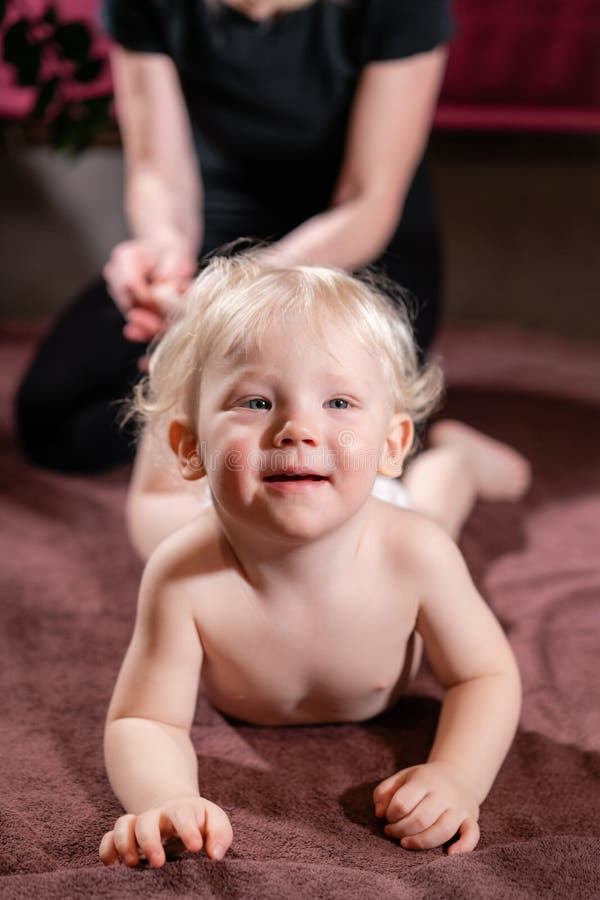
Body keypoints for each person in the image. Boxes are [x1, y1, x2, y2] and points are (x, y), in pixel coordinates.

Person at [99, 254, 530, 867]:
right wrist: (165, 797)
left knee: (434, 511)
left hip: (373, 505)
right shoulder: (182, 575)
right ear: (191, 447)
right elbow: (144, 719)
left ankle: (457, 460)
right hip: (246, 495)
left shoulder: (415, 553)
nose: (296, 427)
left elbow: (484, 677)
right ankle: (178, 384)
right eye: (253, 402)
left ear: (390, 443)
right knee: (152, 519)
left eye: (338, 403)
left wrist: (458, 777)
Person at [16, 0, 453, 472]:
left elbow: (367, 201)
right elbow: (158, 175)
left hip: (354, 247)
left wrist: (233, 298)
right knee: (52, 416)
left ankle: (453, 456)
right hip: (222, 236)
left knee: (329, 420)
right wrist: (166, 257)